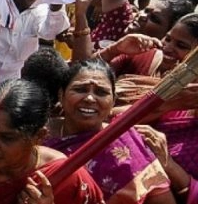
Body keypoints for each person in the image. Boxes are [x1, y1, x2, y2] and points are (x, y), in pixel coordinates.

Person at [43, 59, 174, 204]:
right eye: (80, 90)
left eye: (101, 92)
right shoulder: (38, 135)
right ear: (61, 95)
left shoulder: (126, 140)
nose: (90, 98)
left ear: (113, 101)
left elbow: (162, 199)